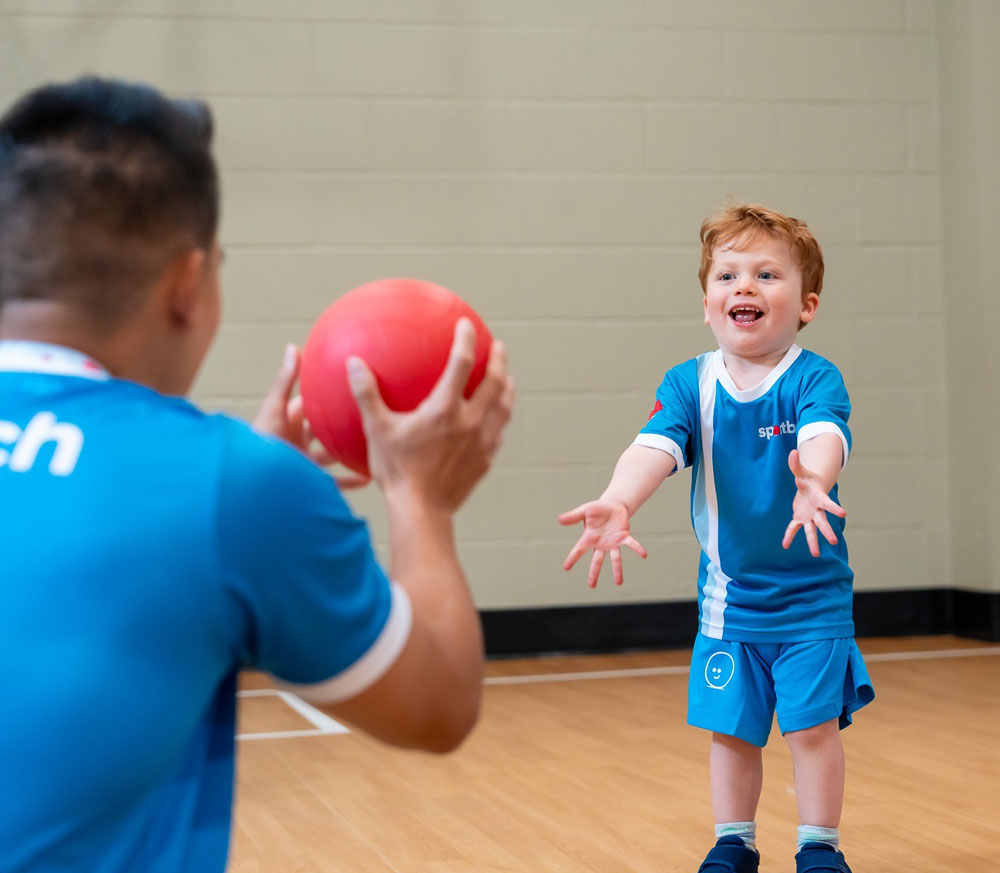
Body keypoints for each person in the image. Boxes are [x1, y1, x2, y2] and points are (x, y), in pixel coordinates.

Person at [0, 76, 513, 873]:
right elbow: (438, 704)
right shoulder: (231, 488)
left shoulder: (228, 484)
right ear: (185, 285)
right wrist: (421, 495)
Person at [559, 204, 874, 873]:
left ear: (806, 303)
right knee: (731, 730)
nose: (745, 286)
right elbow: (654, 446)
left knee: (811, 730)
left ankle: (820, 846)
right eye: (728, 274)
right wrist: (620, 498)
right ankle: (734, 840)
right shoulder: (689, 382)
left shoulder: (815, 377)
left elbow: (825, 433)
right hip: (729, 604)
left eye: (767, 273)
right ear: (708, 304)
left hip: (813, 602)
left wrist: (815, 477)